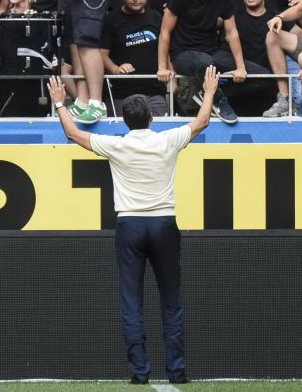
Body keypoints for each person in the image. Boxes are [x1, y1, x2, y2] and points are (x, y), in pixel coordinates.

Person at [46, 66, 219, 386]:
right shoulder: (167, 139)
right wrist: (208, 92)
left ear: (125, 121)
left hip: (130, 225)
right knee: (171, 300)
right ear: (151, 118)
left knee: (132, 301)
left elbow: (73, 134)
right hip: (163, 223)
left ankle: (140, 374)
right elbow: (202, 121)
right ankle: (177, 372)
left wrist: (60, 102)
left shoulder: (117, 144)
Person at [100, 0, 168, 115]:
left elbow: (165, 49)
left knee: (159, 129)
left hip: (155, 92)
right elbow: (101, 53)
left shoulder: (156, 17)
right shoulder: (111, 19)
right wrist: (115, 69)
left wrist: (170, 75)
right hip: (121, 94)